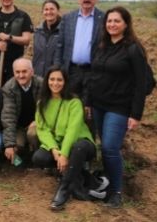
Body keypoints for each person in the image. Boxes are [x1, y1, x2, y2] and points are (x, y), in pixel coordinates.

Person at [88, 6, 148, 208]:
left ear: (126, 24)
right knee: (105, 145)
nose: (112, 24)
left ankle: (117, 192)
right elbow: (93, 74)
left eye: (117, 21)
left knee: (110, 147)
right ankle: (108, 181)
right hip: (98, 104)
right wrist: (88, 100)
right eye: (109, 21)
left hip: (119, 107)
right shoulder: (102, 45)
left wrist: (135, 114)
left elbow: (143, 83)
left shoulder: (132, 49)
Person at [32, 66, 103, 211]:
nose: (55, 83)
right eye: (52, 79)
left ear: (65, 82)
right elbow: (43, 129)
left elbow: (73, 130)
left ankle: (63, 190)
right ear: (47, 81)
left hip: (81, 143)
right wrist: (54, 149)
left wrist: (63, 154)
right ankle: (83, 181)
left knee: (77, 148)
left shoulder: (74, 102)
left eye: (59, 80)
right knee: (39, 157)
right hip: (57, 144)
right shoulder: (42, 103)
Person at [54, 0, 104, 106]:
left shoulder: (104, 19)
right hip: (71, 71)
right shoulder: (68, 18)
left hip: (93, 72)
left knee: (90, 107)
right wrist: (57, 69)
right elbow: (60, 45)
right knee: (69, 105)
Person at [1, 58, 42, 166]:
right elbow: (8, 116)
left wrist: (37, 121)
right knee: (16, 150)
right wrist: (9, 144)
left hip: (37, 125)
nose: (21, 75)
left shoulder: (41, 85)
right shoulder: (9, 88)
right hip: (19, 127)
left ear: (32, 72)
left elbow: (46, 110)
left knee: (33, 134)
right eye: (17, 72)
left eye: (24, 71)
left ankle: (38, 159)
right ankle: (21, 163)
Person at [32, 0, 62, 77]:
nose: (49, 12)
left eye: (52, 9)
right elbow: (36, 55)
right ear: (43, 12)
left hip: (56, 77)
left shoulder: (64, 31)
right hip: (38, 75)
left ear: (58, 11)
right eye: (46, 9)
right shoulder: (38, 31)